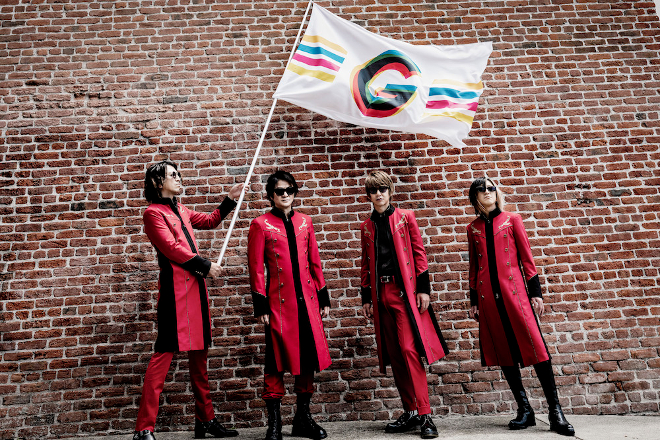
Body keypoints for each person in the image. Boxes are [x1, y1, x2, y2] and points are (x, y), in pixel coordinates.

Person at [134, 160, 244, 440]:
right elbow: (171, 248)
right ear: (158, 182)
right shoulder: (152, 213)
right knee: (163, 355)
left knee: (200, 357)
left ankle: (205, 421)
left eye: (178, 174)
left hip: (196, 289)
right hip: (174, 292)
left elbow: (210, 221)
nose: (178, 178)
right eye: (173, 175)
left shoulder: (181, 209)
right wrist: (206, 266)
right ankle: (144, 428)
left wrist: (230, 199)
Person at [466, 176, 575, 436]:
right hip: (488, 298)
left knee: (537, 348)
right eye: (482, 190)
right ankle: (525, 410)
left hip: (515, 294)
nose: (488, 192)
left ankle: (555, 411)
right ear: (475, 197)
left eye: (491, 188)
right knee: (503, 351)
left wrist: (535, 293)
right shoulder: (473, 228)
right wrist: (474, 300)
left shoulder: (512, 219)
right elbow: (474, 267)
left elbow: (527, 258)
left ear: (497, 192)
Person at [359, 171, 449, 439]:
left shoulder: (405, 217)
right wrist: (366, 298)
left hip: (403, 293)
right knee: (395, 354)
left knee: (409, 350)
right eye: (374, 190)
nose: (379, 194)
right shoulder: (366, 226)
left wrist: (423, 289)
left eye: (383, 189)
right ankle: (410, 411)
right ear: (369, 195)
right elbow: (365, 264)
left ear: (390, 191)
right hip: (380, 295)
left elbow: (419, 253)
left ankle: (425, 414)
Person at [247, 170, 331, 440]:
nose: (285, 195)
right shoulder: (260, 224)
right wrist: (260, 304)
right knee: (275, 362)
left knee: (307, 359)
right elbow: (256, 268)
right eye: (280, 191)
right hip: (278, 304)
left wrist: (323, 297)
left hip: (307, 301)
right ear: (270, 195)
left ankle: (302, 419)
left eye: (290, 190)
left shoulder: (305, 221)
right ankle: (274, 424)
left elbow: (315, 261)